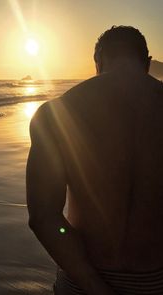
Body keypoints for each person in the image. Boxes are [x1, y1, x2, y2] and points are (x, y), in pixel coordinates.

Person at [26, 26, 163, 295]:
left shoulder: (55, 113)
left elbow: (43, 216)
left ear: (97, 60)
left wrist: (95, 287)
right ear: (147, 62)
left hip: (82, 280)